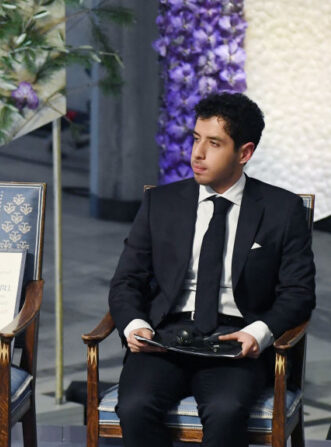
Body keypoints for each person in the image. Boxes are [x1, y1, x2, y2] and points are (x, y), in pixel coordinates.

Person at [109, 92, 315, 447]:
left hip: (235, 342)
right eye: (195, 139)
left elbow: (298, 292)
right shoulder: (161, 203)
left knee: (226, 409)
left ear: (245, 153)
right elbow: (127, 280)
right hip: (165, 337)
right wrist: (136, 324)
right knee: (134, 405)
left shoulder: (282, 210)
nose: (197, 154)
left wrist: (260, 332)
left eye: (214, 143)